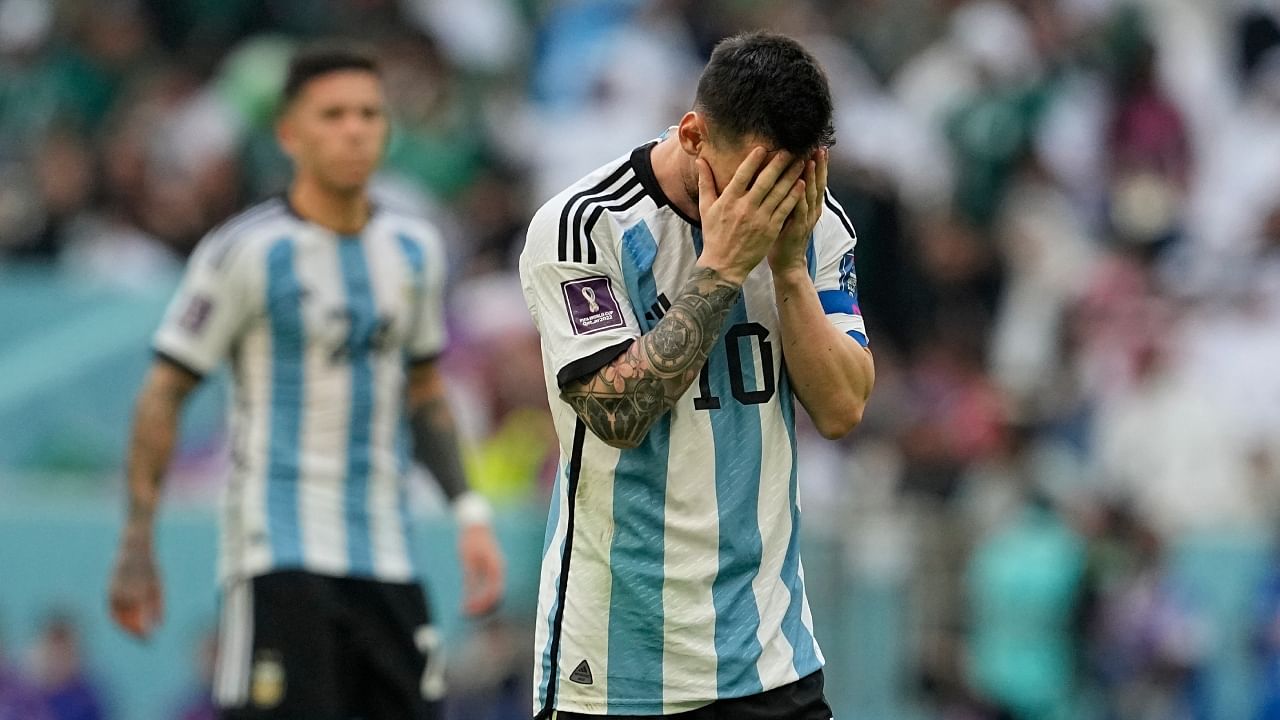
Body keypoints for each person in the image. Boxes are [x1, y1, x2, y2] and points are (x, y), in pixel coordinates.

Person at [106, 47, 505, 720]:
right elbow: (164, 391)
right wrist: (137, 541)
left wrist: (469, 514)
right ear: (290, 134)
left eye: (369, 114)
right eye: (333, 115)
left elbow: (426, 394)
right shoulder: (245, 252)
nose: (354, 130)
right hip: (277, 554)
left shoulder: (416, 250)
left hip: (389, 554)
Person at [519, 31, 875, 720]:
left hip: (772, 659)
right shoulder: (583, 226)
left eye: (793, 176)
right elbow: (616, 416)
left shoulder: (815, 221)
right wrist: (721, 271)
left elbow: (841, 409)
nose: (772, 200)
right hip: (617, 671)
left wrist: (790, 270)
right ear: (692, 136)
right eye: (754, 178)